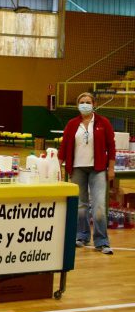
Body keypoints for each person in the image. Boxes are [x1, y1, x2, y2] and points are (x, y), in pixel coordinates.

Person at [58, 92, 116, 255]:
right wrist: (58, 165)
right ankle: (82, 236)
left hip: (98, 169)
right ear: (78, 105)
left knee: (98, 206)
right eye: (82, 102)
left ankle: (102, 241)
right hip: (77, 169)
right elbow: (64, 147)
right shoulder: (72, 124)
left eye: (88, 102)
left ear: (94, 104)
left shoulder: (103, 122)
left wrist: (111, 168)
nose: (85, 104)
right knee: (81, 206)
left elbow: (111, 147)